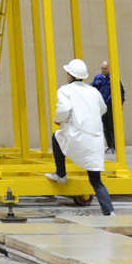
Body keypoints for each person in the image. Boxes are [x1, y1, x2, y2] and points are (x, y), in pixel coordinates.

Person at [45, 58, 114, 215]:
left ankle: (61, 174)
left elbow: (64, 110)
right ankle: (109, 211)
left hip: (77, 137)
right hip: (96, 141)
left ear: (70, 75)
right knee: (96, 181)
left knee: (56, 137)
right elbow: (103, 109)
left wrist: (59, 120)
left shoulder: (64, 90)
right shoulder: (93, 91)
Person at [91, 60, 124, 155]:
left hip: (111, 106)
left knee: (112, 126)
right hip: (102, 107)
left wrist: (121, 104)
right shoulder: (98, 78)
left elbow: (121, 92)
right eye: (102, 68)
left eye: (105, 68)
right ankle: (110, 146)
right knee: (105, 127)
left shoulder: (114, 78)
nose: (103, 70)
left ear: (109, 69)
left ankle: (116, 146)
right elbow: (92, 90)